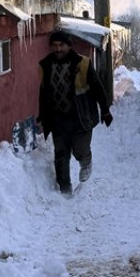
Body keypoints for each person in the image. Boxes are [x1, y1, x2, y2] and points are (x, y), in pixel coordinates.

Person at [37, 30, 112, 194]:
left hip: (81, 116)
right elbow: (44, 93)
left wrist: (105, 111)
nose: (58, 49)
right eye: (54, 46)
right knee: (61, 155)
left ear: (68, 46)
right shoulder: (46, 65)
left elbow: (98, 88)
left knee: (80, 149)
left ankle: (86, 161)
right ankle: (65, 191)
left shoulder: (83, 64)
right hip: (58, 119)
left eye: (61, 45)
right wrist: (42, 114)